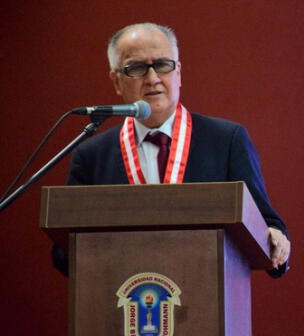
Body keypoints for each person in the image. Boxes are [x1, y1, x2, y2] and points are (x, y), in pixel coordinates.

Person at [52, 22, 290, 277]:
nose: (153, 78)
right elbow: (65, 254)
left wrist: (275, 239)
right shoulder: (91, 156)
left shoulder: (226, 140)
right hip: (124, 302)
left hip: (206, 298)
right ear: (116, 80)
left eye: (163, 65)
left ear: (179, 73)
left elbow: (267, 226)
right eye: (137, 68)